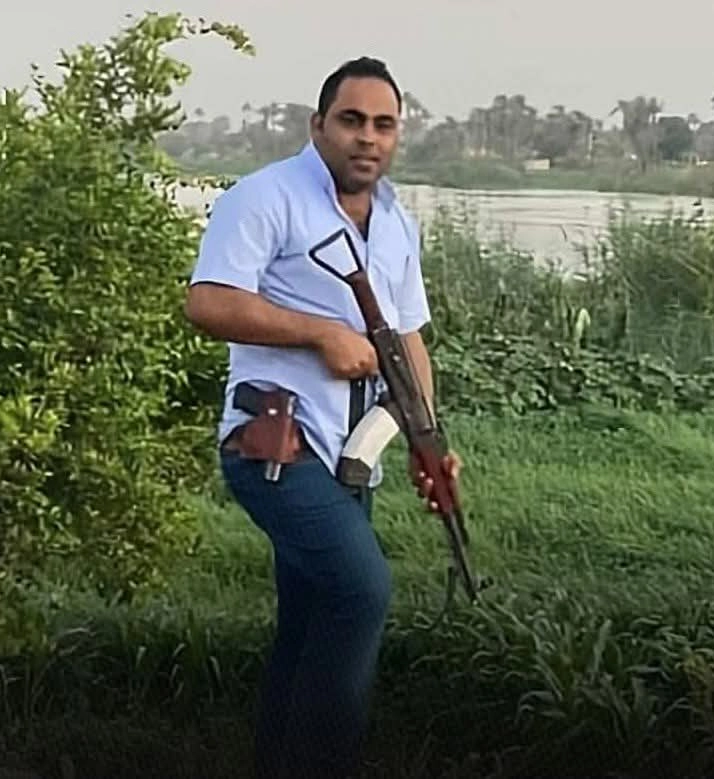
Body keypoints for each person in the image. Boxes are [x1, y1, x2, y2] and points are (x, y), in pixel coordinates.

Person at [184, 56, 461, 779]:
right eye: (351, 120)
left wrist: (428, 440)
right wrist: (319, 333)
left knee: (308, 622)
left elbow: (407, 338)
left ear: (397, 135)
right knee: (361, 591)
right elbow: (208, 301)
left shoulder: (395, 221)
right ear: (318, 126)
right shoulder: (266, 196)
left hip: (351, 455)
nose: (367, 137)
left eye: (383, 124)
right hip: (274, 445)